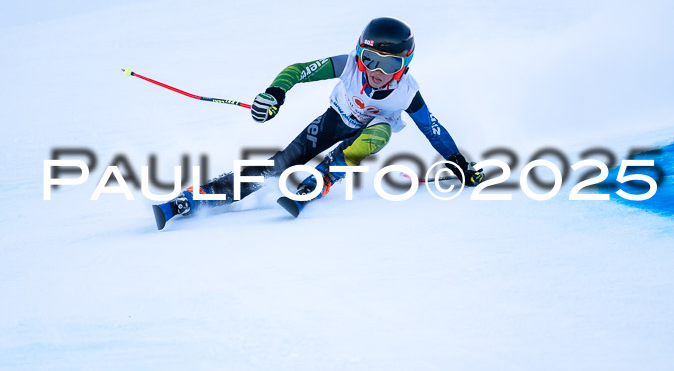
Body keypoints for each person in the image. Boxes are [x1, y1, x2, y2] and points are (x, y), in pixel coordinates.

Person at [152, 17, 484, 229]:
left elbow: (433, 129)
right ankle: (197, 196)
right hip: (334, 121)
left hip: (371, 129)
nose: (376, 71)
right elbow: (297, 69)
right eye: (369, 59)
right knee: (277, 166)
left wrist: (457, 162)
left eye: (389, 63)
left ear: (405, 64)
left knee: (375, 135)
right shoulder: (349, 66)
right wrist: (275, 95)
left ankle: (324, 178)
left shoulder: (407, 93)